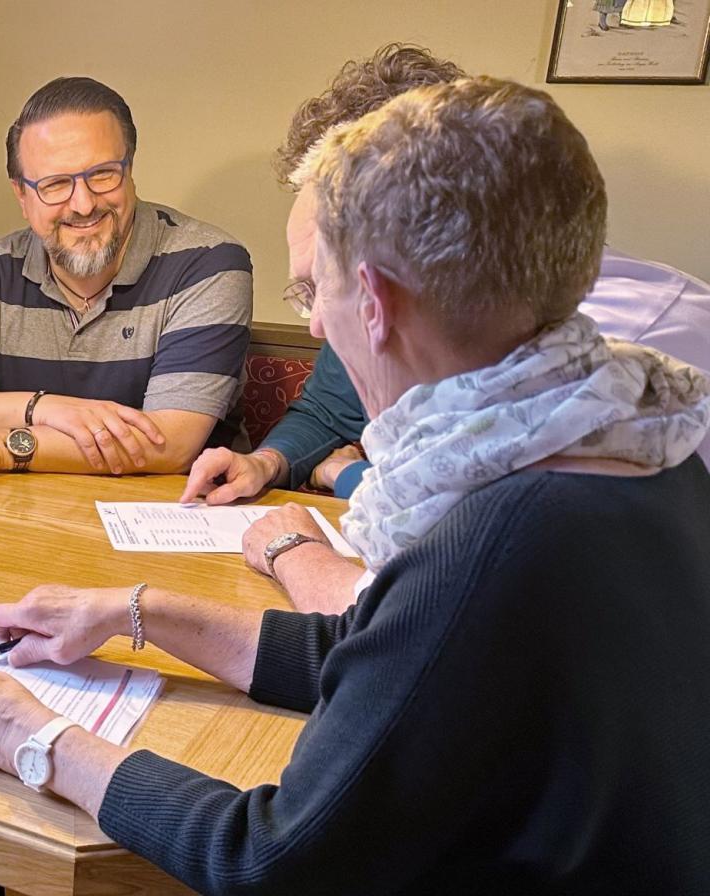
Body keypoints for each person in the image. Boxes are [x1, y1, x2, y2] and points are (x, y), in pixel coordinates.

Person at [0, 78, 710, 896]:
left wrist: (27, 735)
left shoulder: (496, 536)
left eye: (311, 291)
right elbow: (385, 646)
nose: (315, 328)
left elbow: (272, 858)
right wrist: (137, 612)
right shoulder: (642, 441)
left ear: (370, 301)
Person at [181, 44, 710, 614]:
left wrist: (321, 512)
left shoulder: (588, 352)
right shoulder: (408, 303)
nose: (318, 321)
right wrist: (268, 462)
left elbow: (436, 596)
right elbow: (334, 413)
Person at [0, 76, 252, 482]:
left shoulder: (207, 263)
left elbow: (169, 444)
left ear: (130, 172)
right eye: (55, 184)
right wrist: (41, 407)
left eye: (102, 174)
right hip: (28, 514)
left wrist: (6, 445)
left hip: (175, 515)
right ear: (22, 197)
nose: (83, 204)